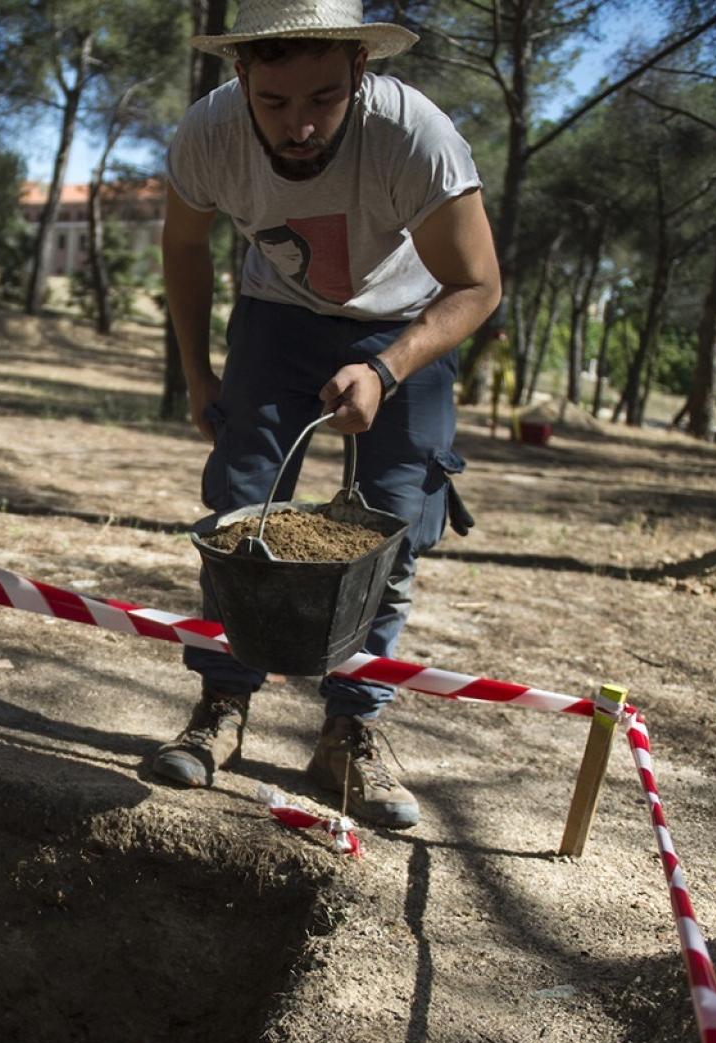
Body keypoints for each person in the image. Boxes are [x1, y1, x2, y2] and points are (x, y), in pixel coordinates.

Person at [152, 0, 502, 828]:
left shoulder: (417, 138)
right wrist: (199, 373)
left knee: (394, 524)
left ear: (359, 74)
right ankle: (221, 708)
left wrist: (385, 367)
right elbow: (183, 246)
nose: (298, 126)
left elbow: (479, 286)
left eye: (322, 100)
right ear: (240, 77)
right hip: (275, 318)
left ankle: (352, 730)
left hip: (408, 325)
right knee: (238, 504)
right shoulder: (208, 134)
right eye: (274, 104)